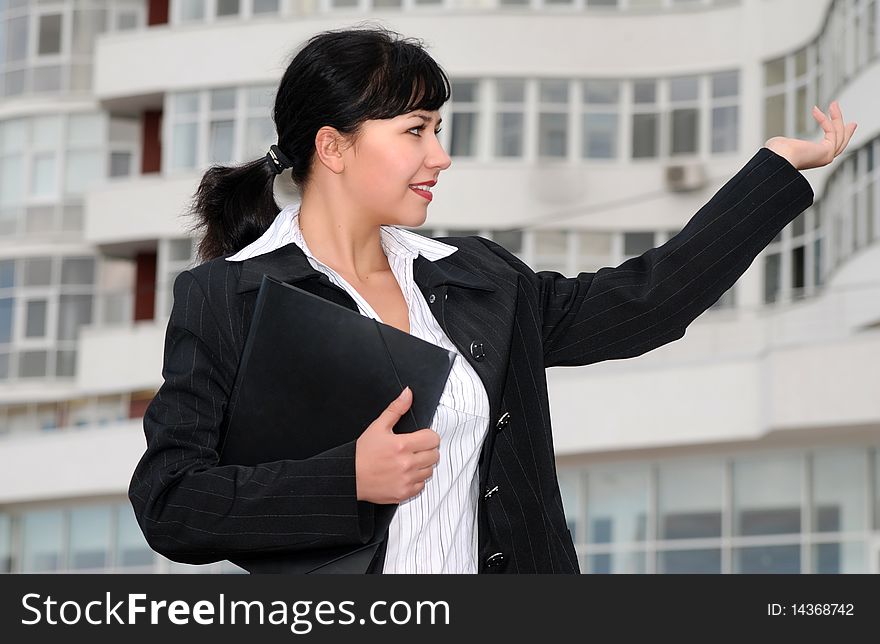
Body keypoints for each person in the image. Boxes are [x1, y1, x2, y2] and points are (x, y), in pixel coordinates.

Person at [128, 25, 857, 574]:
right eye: (415, 131)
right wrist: (345, 480)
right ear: (333, 147)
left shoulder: (476, 279)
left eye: (438, 130)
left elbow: (648, 304)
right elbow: (170, 502)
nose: (439, 155)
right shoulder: (229, 296)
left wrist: (775, 174)